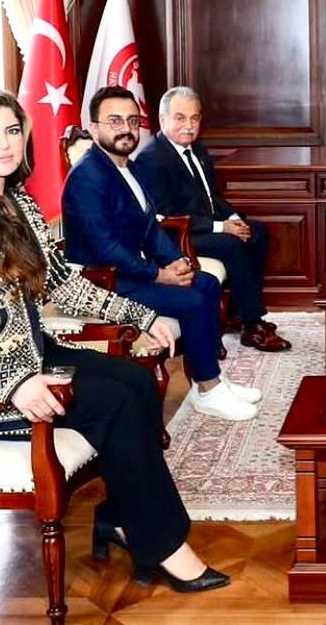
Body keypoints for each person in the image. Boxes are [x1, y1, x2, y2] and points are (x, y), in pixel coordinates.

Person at [0, 89, 229, 592]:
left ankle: (121, 518)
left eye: (12, 131)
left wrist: (143, 314)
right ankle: (164, 546)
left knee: (135, 380)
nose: (3, 144)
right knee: (115, 401)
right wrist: (14, 381)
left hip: (35, 352)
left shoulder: (18, 202)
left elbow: (64, 284)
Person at [62, 86, 259, 422]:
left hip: (132, 272)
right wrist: (158, 274)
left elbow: (150, 228)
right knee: (192, 300)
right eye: (114, 121)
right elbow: (104, 248)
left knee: (206, 283)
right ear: (94, 128)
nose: (126, 129)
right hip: (103, 283)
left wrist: (175, 260)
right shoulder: (88, 177)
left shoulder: (130, 168)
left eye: (132, 121)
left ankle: (208, 379)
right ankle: (209, 389)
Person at [132, 86, 289, 353]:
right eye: (180, 118)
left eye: (194, 118)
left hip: (203, 227)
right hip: (175, 235)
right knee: (231, 245)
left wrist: (234, 219)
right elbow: (166, 214)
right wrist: (222, 227)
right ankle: (253, 325)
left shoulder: (197, 149)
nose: (189, 126)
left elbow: (212, 196)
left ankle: (239, 313)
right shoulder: (151, 159)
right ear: (162, 119)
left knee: (257, 232)